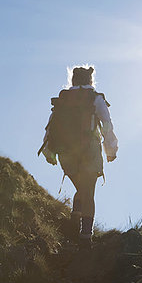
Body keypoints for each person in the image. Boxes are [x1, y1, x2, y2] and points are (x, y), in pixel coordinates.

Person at [39, 65, 118, 249]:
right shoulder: (95, 99)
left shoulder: (64, 99)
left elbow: (50, 126)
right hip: (89, 150)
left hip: (66, 153)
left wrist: (49, 153)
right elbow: (107, 125)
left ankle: (75, 218)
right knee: (88, 191)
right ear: (91, 80)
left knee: (81, 188)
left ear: (72, 80)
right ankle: (85, 238)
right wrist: (111, 150)